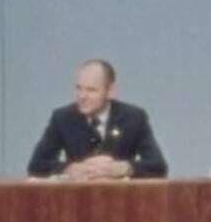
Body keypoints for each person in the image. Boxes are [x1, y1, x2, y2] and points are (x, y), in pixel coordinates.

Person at [27, 60, 168, 179]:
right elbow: (36, 165)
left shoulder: (134, 118)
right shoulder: (62, 118)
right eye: (79, 88)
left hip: (122, 200)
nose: (82, 96)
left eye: (91, 90)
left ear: (110, 91)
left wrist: (125, 168)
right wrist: (70, 168)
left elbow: (158, 166)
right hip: (76, 200)